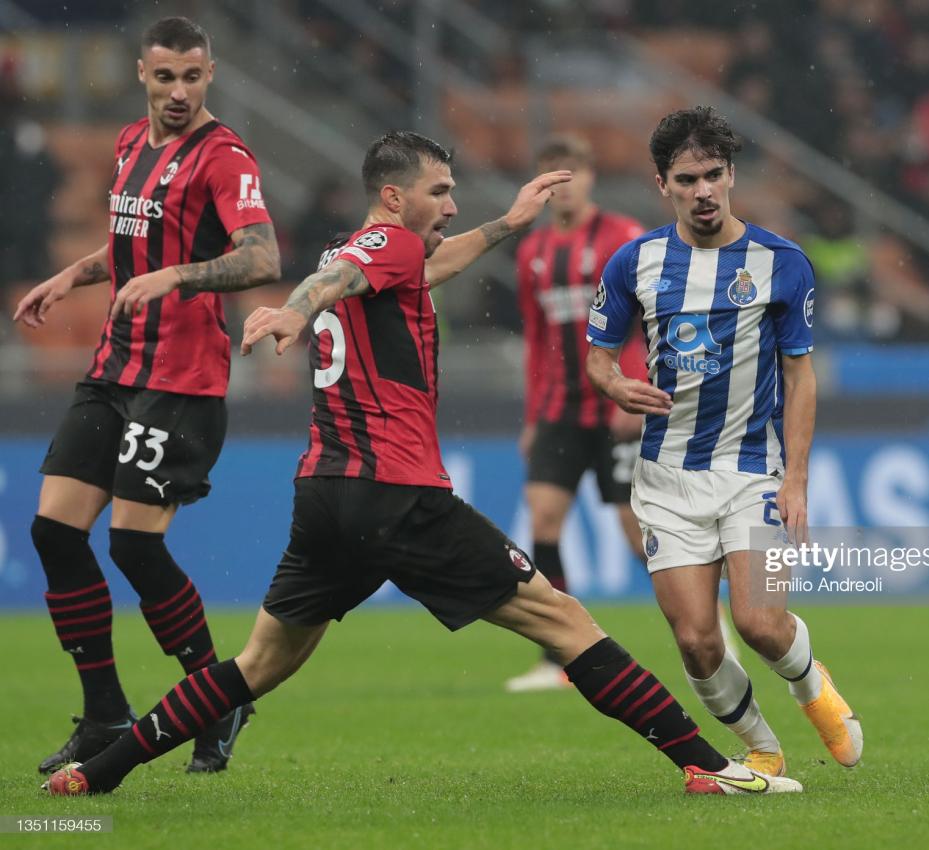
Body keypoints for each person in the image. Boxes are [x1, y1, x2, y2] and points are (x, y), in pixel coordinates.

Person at [43, 131, 801, 798]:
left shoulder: (379, 253)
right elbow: (337, 281)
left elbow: (414, 265)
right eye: (440, 192)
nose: (449, 204)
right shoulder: (385, 247)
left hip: (325, 494)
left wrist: (507, 223)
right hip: (398, 494)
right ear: (393, 195)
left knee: (257, 664)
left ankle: (101, 769)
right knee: (567, 623)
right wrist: (295, 311)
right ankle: (708, 764)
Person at [12, 17, 280, 775]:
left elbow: (262, 255)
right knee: (55, 534)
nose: (178, 92)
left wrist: (179, 277)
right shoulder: (132, 143)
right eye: (165, 77)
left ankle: (216, 695)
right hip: (114, 368)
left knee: (132, 541)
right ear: (142, 73)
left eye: (192, 77)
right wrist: (75, 274)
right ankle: (104, 711)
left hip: (181, 379)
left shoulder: (226, 158)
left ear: (210, 74)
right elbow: (137, 241)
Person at [585, 107, 864, 778]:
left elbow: (801, 379)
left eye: (714, 175)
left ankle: (812, 690)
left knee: (761, 624)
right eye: (688, 179)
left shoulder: (782, 263)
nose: (703, 190)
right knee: (696, 640)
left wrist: (795, 479)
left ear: (732, 175)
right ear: (663, 185)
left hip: (752, 473)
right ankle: (761, 746)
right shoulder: (634, 263)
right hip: (665, 477)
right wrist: (616, 387)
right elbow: (596, 357)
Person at [507, 134, 649, 692]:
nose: (563, 186)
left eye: (572, 174)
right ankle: (559, 658)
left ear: (590, 177)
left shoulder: (622, 238)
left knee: (637, 533)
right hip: (560, 410)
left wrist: (632, 387)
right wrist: (533, 415)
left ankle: (706, 625)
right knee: (542, 519)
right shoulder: (531, 253)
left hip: (617, 404)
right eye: (551, 176)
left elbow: (648, 320)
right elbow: (537, 339)